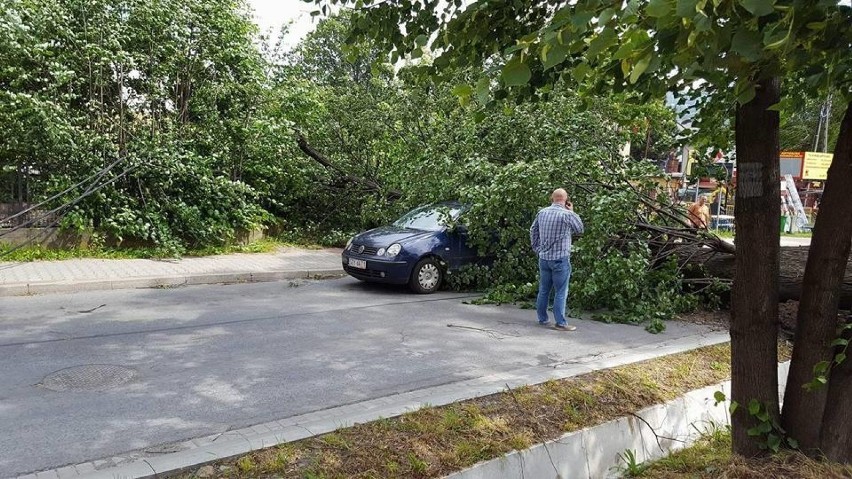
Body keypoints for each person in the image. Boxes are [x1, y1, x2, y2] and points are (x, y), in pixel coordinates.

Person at [529, 188, 584, 331]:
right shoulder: (566, 214)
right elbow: (579, 229)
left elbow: (533, 230)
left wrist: (536, 247)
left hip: (544, 258)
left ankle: (542, 319)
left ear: (552, 198)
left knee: (544, 289)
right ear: (566, 200)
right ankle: (560, 323)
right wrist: (572, 212)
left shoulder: (542, 212)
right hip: (560, 258)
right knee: (561, 291)